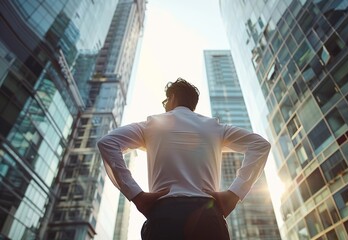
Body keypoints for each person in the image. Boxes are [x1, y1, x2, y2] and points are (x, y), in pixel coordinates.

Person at [97, 78, 271, 240]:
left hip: (164, 217)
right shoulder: (214, 127)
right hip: (208, 217)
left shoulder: (153, 124)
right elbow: (260, 145)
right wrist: (234, 194)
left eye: (166, 101)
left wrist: (136, 195)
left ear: (172, 97)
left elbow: (108, 142)